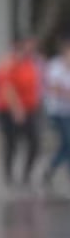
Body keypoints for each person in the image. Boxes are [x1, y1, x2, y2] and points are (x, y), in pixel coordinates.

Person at [0, 40, 42, 186]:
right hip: (8, 109)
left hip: (29, 108)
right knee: (11, 143)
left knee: (34, 142)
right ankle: (9, 175)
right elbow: (6, 88)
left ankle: (26, 175)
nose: (30, 51)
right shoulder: (8, 63)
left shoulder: (30, 64)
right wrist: (16, 109)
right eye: (26, 49)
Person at [43, 39, 70, 186]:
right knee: (68, 141)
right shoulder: (55, 66)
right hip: (58, 110)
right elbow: (53, 88)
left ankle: (51, 169)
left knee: (66, 144)